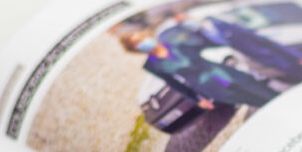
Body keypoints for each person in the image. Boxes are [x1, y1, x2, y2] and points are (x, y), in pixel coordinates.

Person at [120, 20, 280, 110]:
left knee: (268, 94)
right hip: (210, 87)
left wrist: (195, 26)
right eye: (137, 44)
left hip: (227, 74)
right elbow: (174, 83)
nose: (143, 43)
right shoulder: (151, 65)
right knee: (257, 103)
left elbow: (204, 42)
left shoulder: (173, 41)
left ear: (147, 35)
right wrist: (197, 100)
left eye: (141, 39)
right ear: (135, 49)